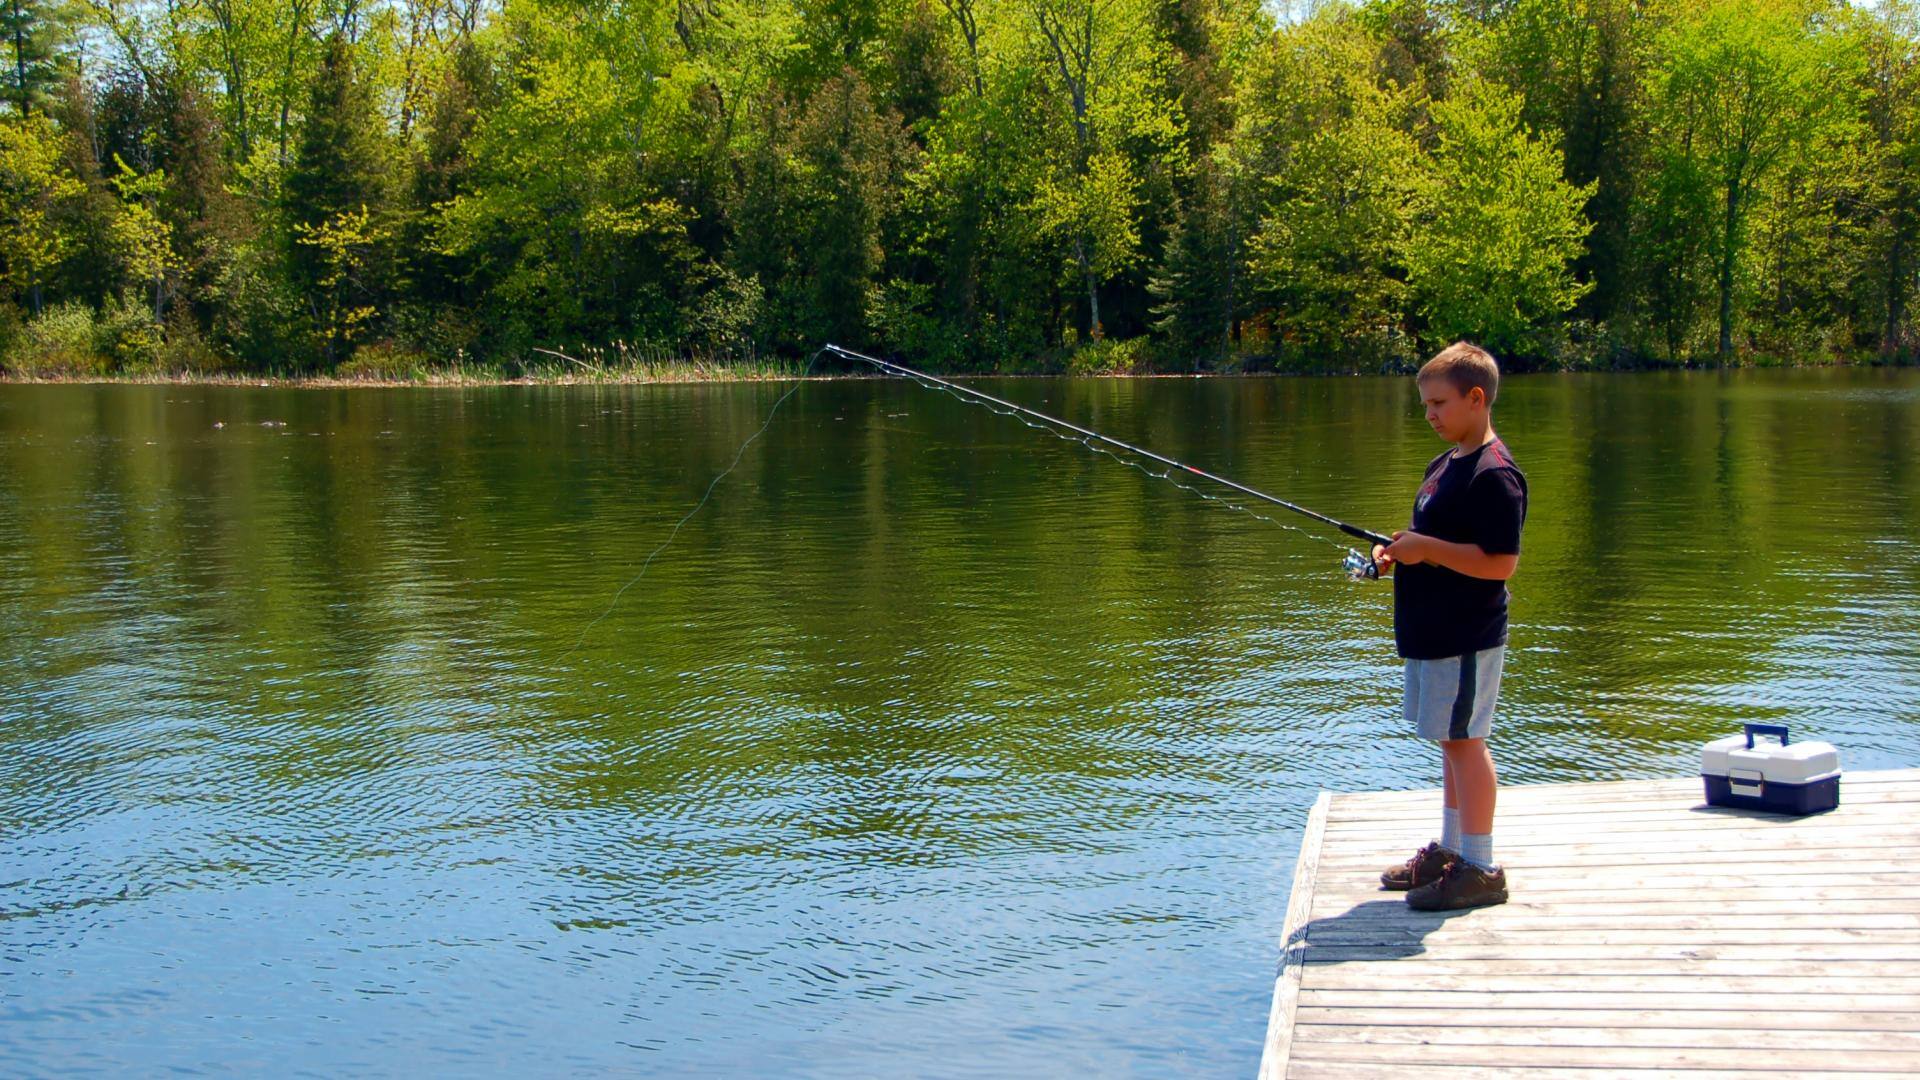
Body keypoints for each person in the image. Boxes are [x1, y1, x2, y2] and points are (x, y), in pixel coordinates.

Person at [1371, 341, 1528, 911]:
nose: (1431, 414)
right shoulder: (1446, 465)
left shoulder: (1495, 475)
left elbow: (1499, 562)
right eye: (1425, 405)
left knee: (1467, 742)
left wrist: (1426, 550)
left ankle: (1482, 868)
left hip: (1467, 634)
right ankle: (1452, 850)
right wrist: (1399, 551)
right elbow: (1436, 542)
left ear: (1476, 398)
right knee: (1450, 740)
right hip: (1433, 630)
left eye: (1439, 403)